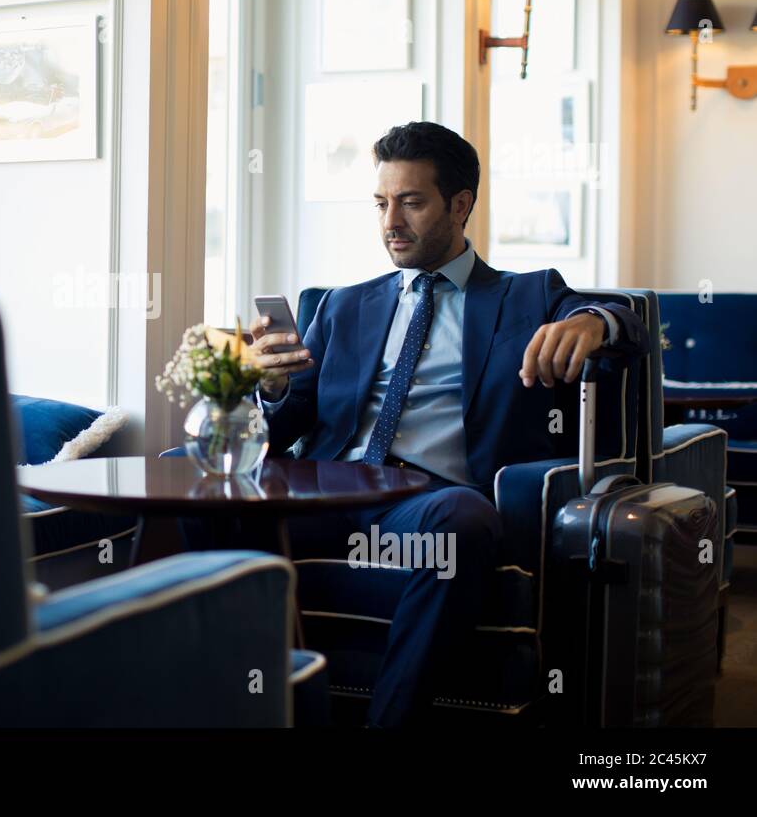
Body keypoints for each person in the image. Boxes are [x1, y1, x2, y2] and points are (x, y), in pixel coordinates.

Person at [250, 120, 649, 727]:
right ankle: (248, 701)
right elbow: (285, 424)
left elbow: (629, 325)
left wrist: (594, 321)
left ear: (460, 205)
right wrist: (273, 386)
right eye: (382, 203)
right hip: (323, 497)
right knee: (188, 482)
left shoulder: (527, 296)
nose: (391, 221)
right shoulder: (342, 304)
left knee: (460, 521)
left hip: (425, 503)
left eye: (411, 202)